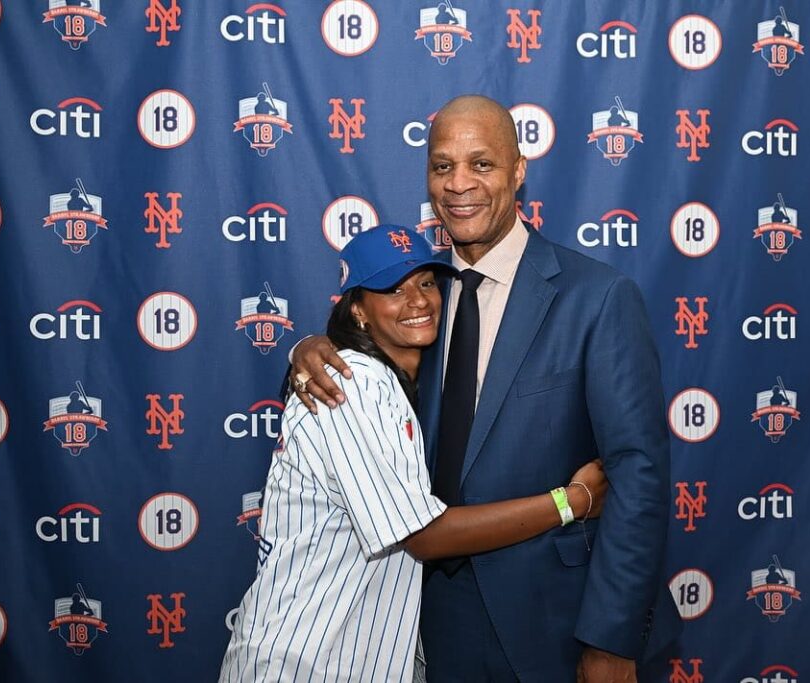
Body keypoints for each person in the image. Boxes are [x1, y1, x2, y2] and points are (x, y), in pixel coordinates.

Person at [290, 95, 680, 682]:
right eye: (442, 166)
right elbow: (355, 370)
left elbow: (638, 473)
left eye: (482, 164)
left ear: (518, 171)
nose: (458, 184)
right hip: (428, 623)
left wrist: (610, 639)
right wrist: (303, 351)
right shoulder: (421, 301)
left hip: (558, 622)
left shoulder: (596, 297)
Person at [220, 225, 606, 683]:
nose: (418, 300)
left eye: (425, 282)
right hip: (304, 659)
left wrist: (304, 347)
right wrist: (571, 501)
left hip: (361, 655)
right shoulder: (352, 384)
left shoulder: (407, 383)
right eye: (392, 289)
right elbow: (425, 535)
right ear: (358, 309)